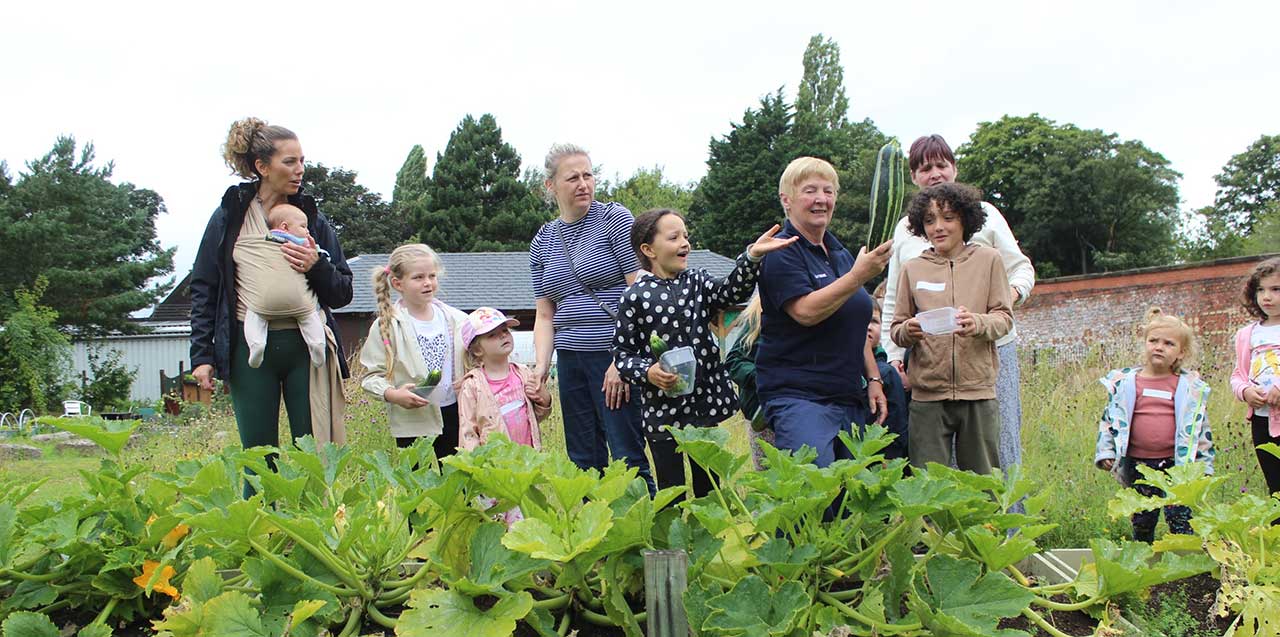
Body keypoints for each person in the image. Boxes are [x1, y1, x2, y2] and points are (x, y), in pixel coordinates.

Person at [190, 118, 350, 493]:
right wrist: (202, 355)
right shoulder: (230, 217)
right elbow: (204, 286)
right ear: (262, 167)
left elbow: (343, 292)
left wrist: (316, 266)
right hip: (251, 352)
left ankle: (317, 540)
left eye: (302, 161)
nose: (300, 171)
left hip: (306, 351)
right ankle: (260, 540)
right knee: (258, 457)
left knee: (315, 457)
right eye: (290, 162)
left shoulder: (311, 218)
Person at [880, 135, 1034, 475]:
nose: (934, 174)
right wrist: (894, 353)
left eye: (940, 165)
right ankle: (944, 527)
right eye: (924, 168)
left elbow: (1021, 268)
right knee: (935, 455)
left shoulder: (988, 217)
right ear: (914, 176)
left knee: (998, 442)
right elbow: (893, 299)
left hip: (988, 352)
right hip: (931, 361)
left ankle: (1006, 527)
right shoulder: (905, 231)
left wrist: (1001, 303)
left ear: (954, 168)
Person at [612, 209, 796, 495]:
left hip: (703, 406)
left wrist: (752, 258)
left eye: (686, 236)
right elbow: (623, 355)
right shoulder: (635, 297)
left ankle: (708, 534)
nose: (685, 242)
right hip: (662, 412)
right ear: (648, 249)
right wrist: (649, 371)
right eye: (674, 237)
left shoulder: (698, 282)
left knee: (709, 487)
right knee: (670, 489)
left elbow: (732, 291)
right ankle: (673, 540)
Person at [529, 143, 653, 490]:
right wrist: (540, 370)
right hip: (570, 358)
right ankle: (593, 538)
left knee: (626, 454)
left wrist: (623, 361)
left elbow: (638, 292)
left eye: (588, 175)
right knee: (583, 458)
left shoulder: (614, 219)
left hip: (612, 353)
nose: (583, 183)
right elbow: (544, 313)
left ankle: (644, 535)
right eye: (572, 178)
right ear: (550, 186)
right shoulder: (542, 241)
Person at [756, 157, 891, 468]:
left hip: (846, 395)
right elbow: (805, 312)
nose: (821, 199)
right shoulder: (781, 251)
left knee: (856, 498)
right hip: (800, 398)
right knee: (815, 493)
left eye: (828, 191)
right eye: (810, 190)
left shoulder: (841, 253)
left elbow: (852, 326)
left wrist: (873, 379)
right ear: (786, 200)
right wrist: (859, 276)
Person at [890, 183, 1012, 474]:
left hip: (978, 392)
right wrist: (911, 329)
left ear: (965, 221)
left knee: (984, 485)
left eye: (947, 218)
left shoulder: (989, 260)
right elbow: (897, 328)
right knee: (928, 486)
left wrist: (978, 323)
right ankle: (930, 525)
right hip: (928, 395)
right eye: (929, 220)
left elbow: (1004, 318)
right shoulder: (912, 267)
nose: (938, 227)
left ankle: (987, 524)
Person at [1094, 308, 1213, 543]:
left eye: (1168, 343)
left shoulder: (1190, 388)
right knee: (1142, 518)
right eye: (1153, 341)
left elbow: (1201, 429)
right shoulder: (1126, 383)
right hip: (1138, 465)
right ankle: (1143, 560)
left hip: (1176, 466)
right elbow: (1109, 421)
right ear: (1145, 343)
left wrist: (1204, 467)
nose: (1159, 347)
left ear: (1181, 353)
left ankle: (1183, 564)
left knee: (1180, 518)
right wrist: (1106, 452)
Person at [360, 244, 467, 458]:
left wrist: (468, 380)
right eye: (418, 277)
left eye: (432, 276)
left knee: (460, 481)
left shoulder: (458, 319)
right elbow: (371, 376)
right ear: (398, 283)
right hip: (413, 420)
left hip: (457, 414)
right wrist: (393, 394)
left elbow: (477, 360)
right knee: (417, 484)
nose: (428, 283)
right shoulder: (388, 326)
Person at [241, 203, 329, 370]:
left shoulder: (261, 239)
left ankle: (256, 345)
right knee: (311, 319)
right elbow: (321, 255)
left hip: (263, 302)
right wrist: (321, 257)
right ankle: (318, 345)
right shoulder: (303, 243)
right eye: (303, 226)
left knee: (254, 316)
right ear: (285, 227)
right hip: (300, 304)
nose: (307, 231)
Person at [457, 307, 552, 452]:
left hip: (528, 458)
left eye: (505, 330)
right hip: (495, 463)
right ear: (477, 349)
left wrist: (544, 398)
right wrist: (475, 464)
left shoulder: (524, 373)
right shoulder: (472, 385)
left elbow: (536, 416)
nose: (503, 336)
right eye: (492, 335)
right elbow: (468, 432)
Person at [1230, 257, 1280, 495]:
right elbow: (1238, 375)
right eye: (1261, 290)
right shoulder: (1247, 334)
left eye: (1275, 289)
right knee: (1275, 483)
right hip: (1261, 420)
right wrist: (1246, 391)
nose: (1266, 297)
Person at [723, 297, 772, 470]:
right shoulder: (757, 316)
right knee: (768, 479)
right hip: (762, 414)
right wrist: (764, 379)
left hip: (803, 411)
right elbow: (734, 361)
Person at [866, 297, 909, 462]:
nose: (868, 327)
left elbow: (898, 422)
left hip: (883, 457)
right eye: (863, 321)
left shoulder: (887, 373)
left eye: (874, 321)